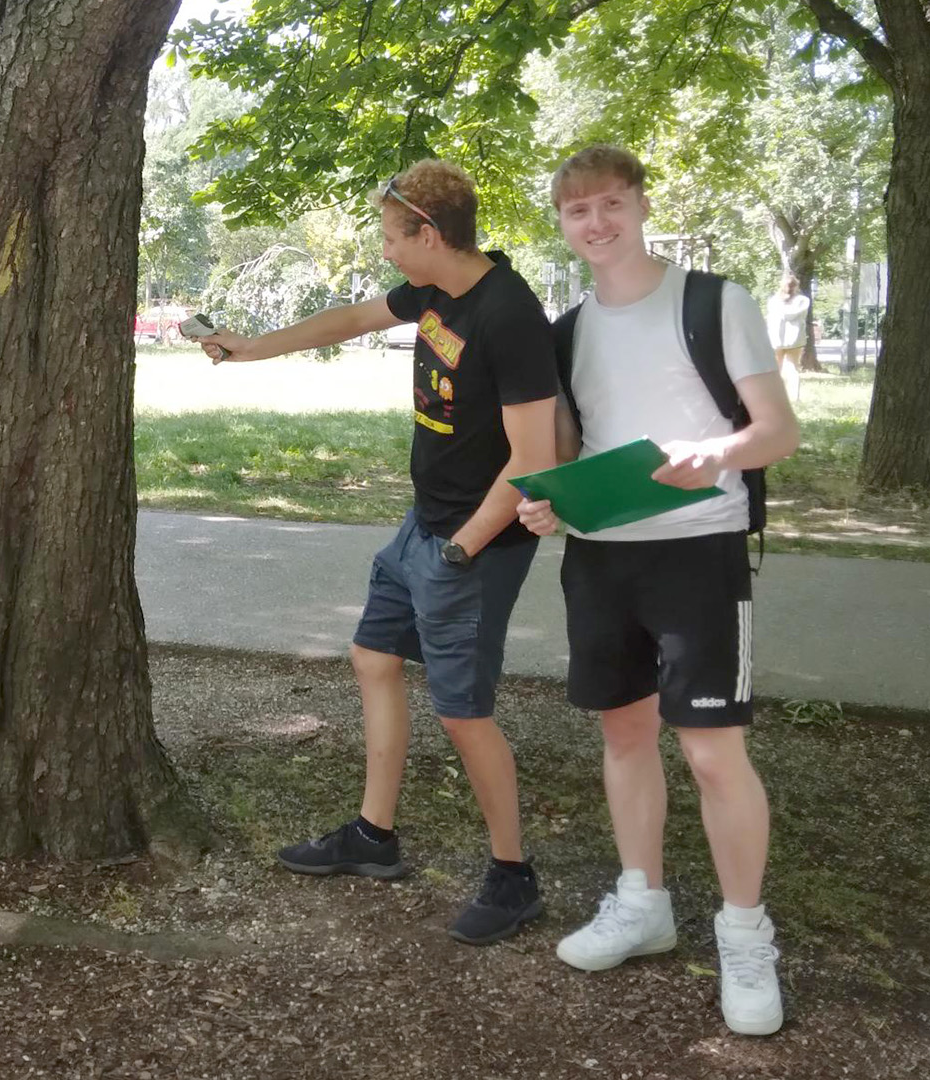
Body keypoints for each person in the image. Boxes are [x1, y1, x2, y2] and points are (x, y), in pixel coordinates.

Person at [196, 159, 558, 944]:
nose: (387, 252)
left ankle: (512, 875)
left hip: (474, 543)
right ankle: (373, 834)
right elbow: (350, 321)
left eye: (393, 238)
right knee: (373, 657)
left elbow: (533, 462)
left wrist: (461, 551)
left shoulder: (509, 315)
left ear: (430, 232)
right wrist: (249, 348)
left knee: (463, 713)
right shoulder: (434, 292)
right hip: (422, 526)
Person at [520, 145, 799, 1035]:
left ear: (640, 204)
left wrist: (711, 455)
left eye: (609, 204)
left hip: (699, 552)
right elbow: (565, 456)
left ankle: (745, 937)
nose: (596, 224)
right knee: (625, 732)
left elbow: (776, 432)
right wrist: (549, 510)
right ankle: (643, 904)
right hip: (603, 558)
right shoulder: (565, 330)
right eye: (577, 212)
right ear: (562, 226)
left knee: (714, 752)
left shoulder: (716, 301)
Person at [766, 275, 809, 402]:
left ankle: (775, 396)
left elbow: (771, 318)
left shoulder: (774, 301)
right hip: (795, 340)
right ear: (796, 286)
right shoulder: (803, 300)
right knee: (793, 368)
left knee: (776, 368)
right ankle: (795, 397)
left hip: (776, 339)